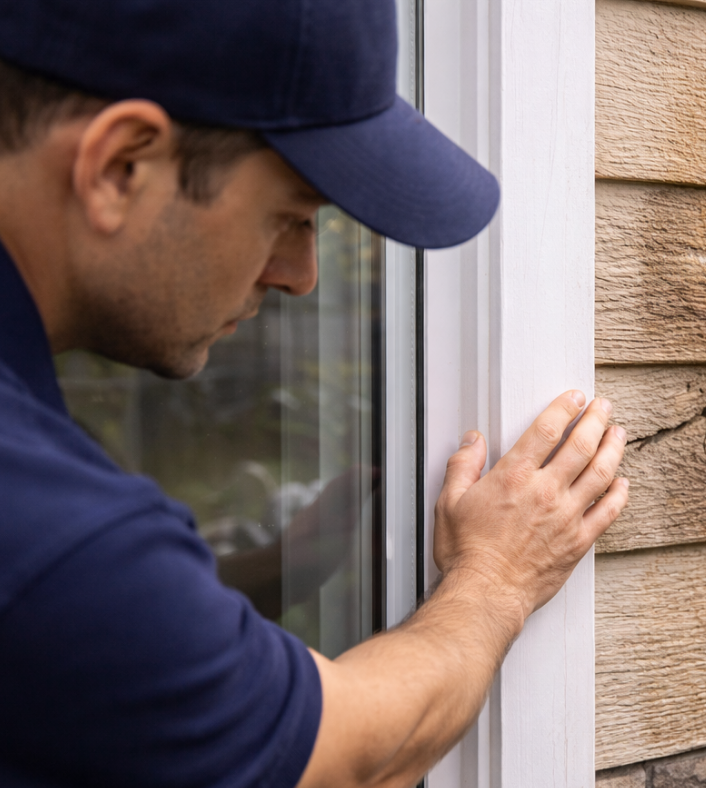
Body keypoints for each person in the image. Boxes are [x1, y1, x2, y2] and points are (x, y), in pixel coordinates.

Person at [0, 1, 631, 787]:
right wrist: (497, 579)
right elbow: (353, 759)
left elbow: (70, 642)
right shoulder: (47, 520)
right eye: (291, 217)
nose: (301, 276)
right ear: (121, 166)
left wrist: (278, 568)